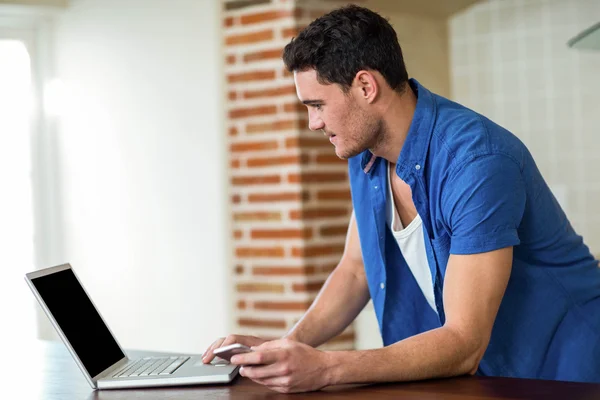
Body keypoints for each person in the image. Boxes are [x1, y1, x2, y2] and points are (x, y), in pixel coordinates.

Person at [202, 4, 600, 393]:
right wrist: (287, 346)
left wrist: (325, 368)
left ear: (365, 86)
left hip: (566, 371)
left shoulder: (477, 161)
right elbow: (356, 270)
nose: (314, 123)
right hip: (488, 376)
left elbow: (463, 341)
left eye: (317, 105)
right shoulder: (365, 153)